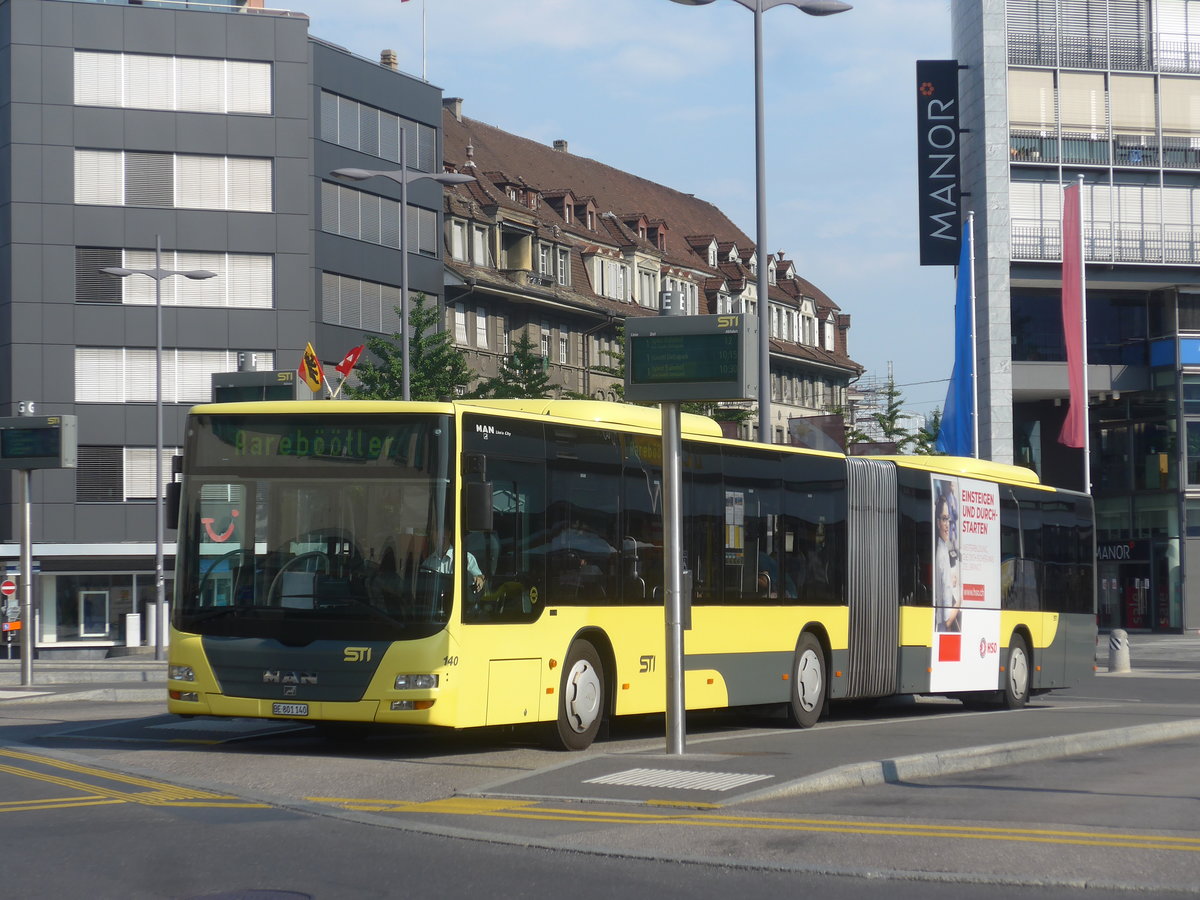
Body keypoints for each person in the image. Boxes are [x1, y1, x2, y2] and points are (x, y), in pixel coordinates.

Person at [421, 526, 485, 593]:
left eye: (442, 533)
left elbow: (479, 577)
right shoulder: (427, 563)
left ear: (449, 534)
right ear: (432, 536)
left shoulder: (465, 558)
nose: (440, 536)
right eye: (436, 533)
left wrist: (479, 579)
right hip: (435, 602)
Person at [934, 489, 961, 632]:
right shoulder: (941, 555)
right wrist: (961, 600)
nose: (947, 524)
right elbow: (947, 620)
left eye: (948, 519)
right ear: (938, 523)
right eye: (944, 519)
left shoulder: (944, 548)